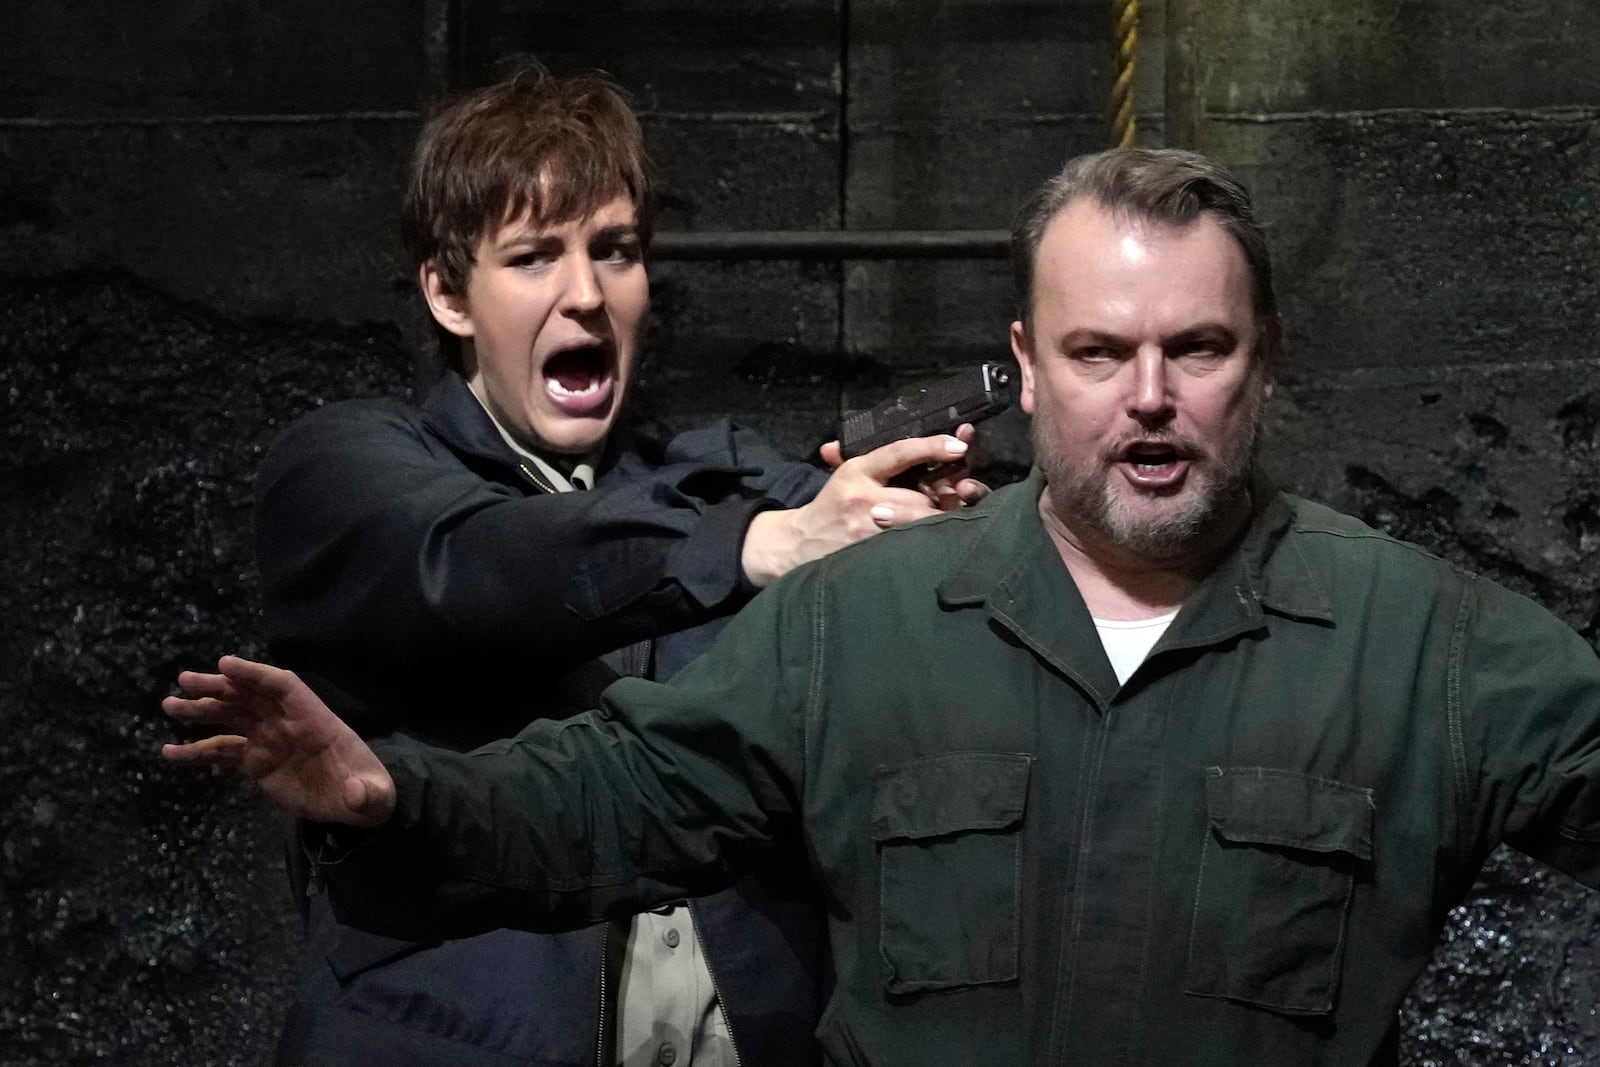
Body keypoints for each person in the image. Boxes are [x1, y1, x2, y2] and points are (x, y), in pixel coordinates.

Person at [163, 147, 1600, 1064]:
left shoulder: (1430, 643)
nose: (1150, 397)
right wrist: (389, 796)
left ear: (1265, 359)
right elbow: (617, 790)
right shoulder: (863, 621)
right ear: (1030, 367)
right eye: (1103, 351)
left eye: (1197, 348)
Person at [247, 65, 983, 1067]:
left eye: (615, 251)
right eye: (533, 256)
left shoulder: (719, 469)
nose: (585, 294)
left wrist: (907, 511)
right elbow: (478, 567)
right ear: (447, 292)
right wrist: (763, 542)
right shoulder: (345, 471)